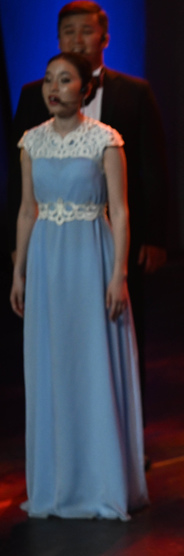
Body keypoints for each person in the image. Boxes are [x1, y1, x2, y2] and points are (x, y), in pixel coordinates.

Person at [10, 52, 147, 519]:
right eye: (49, 79)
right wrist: (19, 271)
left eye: (65, 80)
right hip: (47, 259)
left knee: (93, 360)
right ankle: (57, 483)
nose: (54, 88)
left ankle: (102, 482)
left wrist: (119, 274)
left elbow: (121, 212)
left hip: (92, 255)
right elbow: (27, 210)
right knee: (54, 363)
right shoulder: (31, 141)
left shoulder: (105, 139)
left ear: (86, 89)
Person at [9, 0, 169, 391]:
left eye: (86, 31)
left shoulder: (134, 93)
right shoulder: (32, 101)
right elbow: (21, 189)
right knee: (56, 338)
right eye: (68, 32)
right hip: (49, 243)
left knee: (114, 328)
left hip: (105, 236)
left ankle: (115, 415)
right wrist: (17, 253)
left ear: (104, 37)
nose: (77, 39)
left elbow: (151, 169)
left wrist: (154, 236)